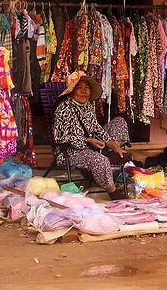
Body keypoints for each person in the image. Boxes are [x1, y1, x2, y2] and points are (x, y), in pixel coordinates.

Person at [52, 71, 130, 199]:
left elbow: (95, 127)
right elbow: (61, 138)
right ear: (71, 91)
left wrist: (111, 142)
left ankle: (111, 153)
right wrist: (87, 141)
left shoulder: (88, 105)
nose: (83, 91)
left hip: (92, 145)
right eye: (79, 88)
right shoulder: (63, 109)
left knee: (119, 122)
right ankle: (113, 191)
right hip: (71, 151)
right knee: (100, 160)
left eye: (86, 87)